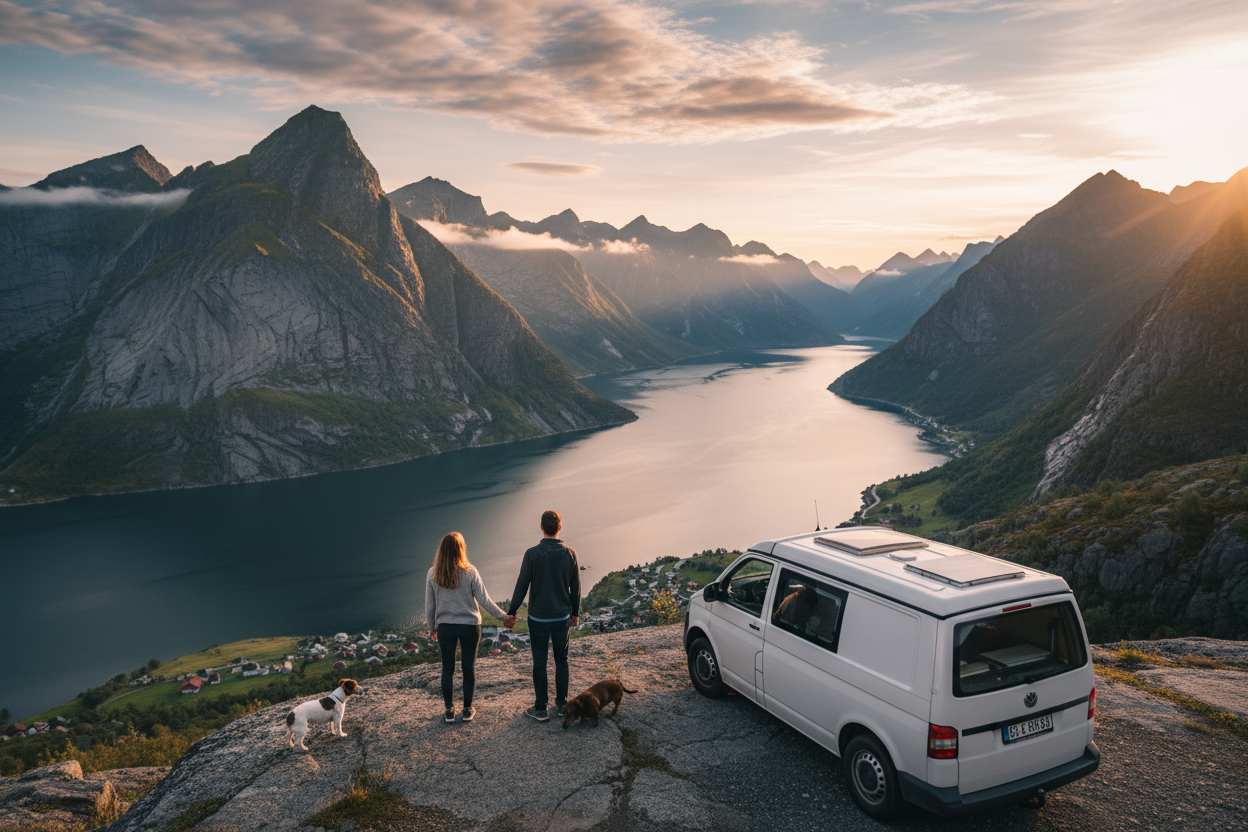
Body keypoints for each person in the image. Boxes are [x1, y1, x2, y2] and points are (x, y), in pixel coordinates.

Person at [425, 532, 512, 724]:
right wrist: (503, 618)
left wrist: (432, 628)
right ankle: (466, 709)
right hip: (470, 626)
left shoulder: (433, 573)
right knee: (468, 667)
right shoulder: (470, 571)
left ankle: (449, 711)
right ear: (461, 549)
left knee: (447, 668)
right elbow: (484, 600)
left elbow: (429, 606)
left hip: (445, 627)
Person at [508, 510, 580, 722]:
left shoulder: (532, 554)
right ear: (559, 528)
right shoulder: (570, 554)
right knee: (561, 660)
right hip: (561, 617)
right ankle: (563, 705)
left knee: (539, 662)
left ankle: (540, 709)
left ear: (541, 527)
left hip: (538, 618)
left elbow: (522, 585)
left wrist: (512, 611)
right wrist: (575, 613)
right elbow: (575, 588)